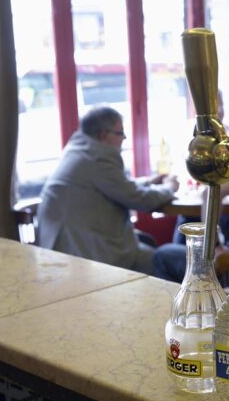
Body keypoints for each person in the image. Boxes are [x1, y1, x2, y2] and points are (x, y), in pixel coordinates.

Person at [38, 107, 178, 275]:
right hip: (88, 255)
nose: (124, 138)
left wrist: (148, 181)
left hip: (64, 246)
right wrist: (169, 188)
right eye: (120, 133)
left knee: (150, 246)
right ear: (104, 135)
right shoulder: (99, 156)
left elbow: (114, 185)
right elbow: (140, 200)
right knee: (166, 262)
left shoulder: (79, 147)